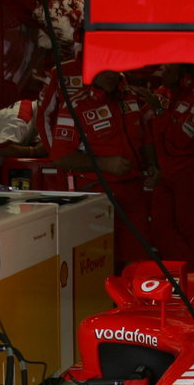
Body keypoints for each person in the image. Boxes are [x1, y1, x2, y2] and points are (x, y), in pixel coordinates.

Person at [53, 69, 157, 268]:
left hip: (134, 192)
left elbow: (145, 136)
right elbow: (60, 157)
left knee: (138, 261)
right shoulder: (75, 104)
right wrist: (104, 163)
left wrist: (152, 164)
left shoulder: (132, 97)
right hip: (96, 193)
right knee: (97, 261)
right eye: (106, 66)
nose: (112, 72)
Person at [141, 63, 194, 265]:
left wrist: (159, 111)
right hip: (164, 171)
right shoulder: (162, 93)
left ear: (185, 78)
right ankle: (178, 273)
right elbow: (144, 122)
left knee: (187, 229)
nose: (164, 73)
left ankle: (191, 277)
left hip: (189, 171)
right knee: (158, 228)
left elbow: (180, 139)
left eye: (170, 71)